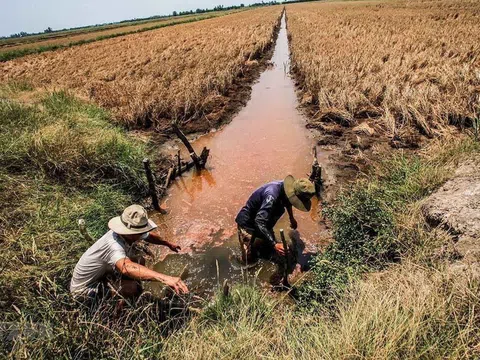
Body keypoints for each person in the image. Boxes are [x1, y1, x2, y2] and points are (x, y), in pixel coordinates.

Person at [70, 205, 188, 299]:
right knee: (131, 288)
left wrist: (168, 244)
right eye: (140, 232)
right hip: (84, 291)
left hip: (101, 275)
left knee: (140, 260)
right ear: (129, 233)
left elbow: (149, 236)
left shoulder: (128, 234)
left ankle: (130, 294)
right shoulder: (114, 245)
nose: (143, 234)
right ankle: (126, 303)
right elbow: (126, 267)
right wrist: (165, 278)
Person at [235, 175, 316, 261]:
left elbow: (288, 202)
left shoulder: (287, 190)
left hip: (265, 222)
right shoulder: (272, 196)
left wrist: (291, 218)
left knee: (269, 249)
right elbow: (259, 222)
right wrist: (274, 244)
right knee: (248, 258)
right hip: (248, 223)